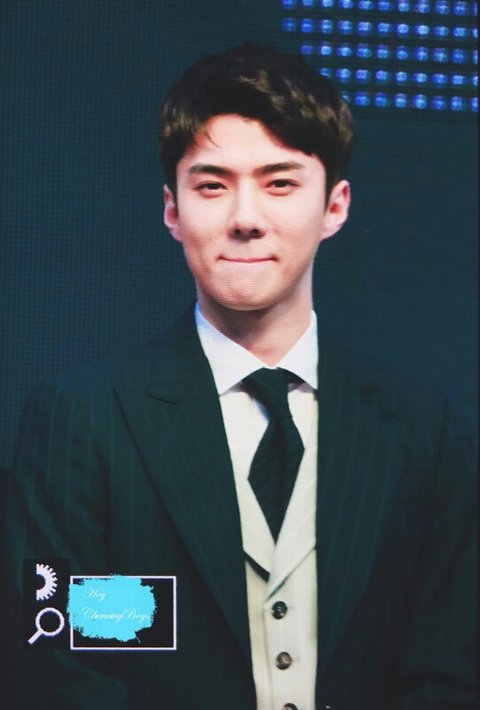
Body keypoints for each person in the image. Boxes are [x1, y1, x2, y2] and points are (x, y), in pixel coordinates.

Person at [3, 43, 475, 709]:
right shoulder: (81, 419)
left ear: (335, 206)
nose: (246, 219)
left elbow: (449, 669)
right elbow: (58, 663)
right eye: (212, 185)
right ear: (172, 210)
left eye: (280, 183)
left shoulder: (425, 431)